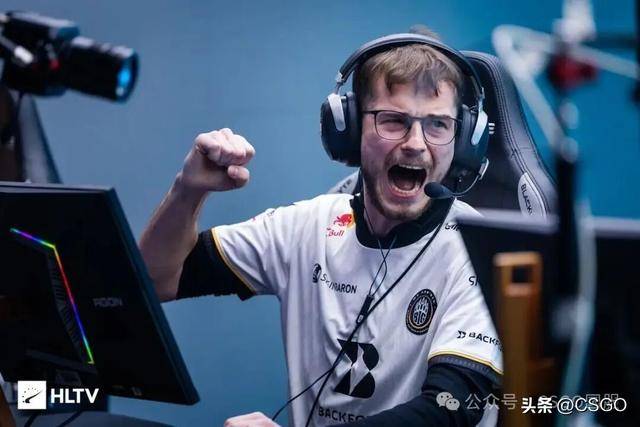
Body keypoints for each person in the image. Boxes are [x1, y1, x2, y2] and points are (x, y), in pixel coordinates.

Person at [139, 30, 502, 427]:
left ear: (464, 141)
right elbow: (154, 280)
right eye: (393, 121)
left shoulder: (480, 250)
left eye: (438, 125)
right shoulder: (308, 227)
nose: (416, 143)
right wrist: (188, 191)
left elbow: (451, 408)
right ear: (348, 130)